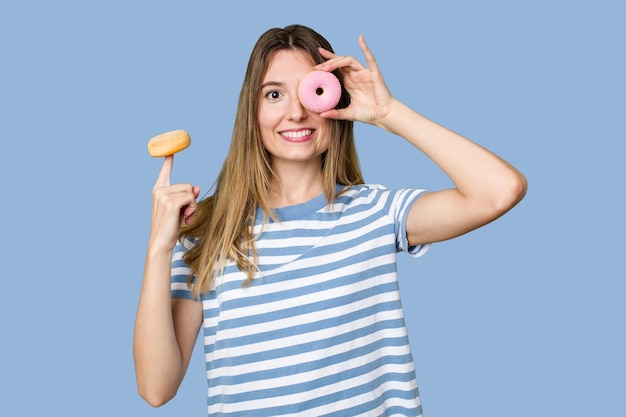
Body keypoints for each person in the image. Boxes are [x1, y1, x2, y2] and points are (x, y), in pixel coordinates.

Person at [133, 24, 527, 416]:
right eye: (274, 94)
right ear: (251, 110)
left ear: (335, 98)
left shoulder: (375, 212)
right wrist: (158, 248)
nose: (295, 112)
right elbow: (156, 388)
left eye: (311, 91)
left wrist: (389, 113)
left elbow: (500, 189)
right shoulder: (209, 230)